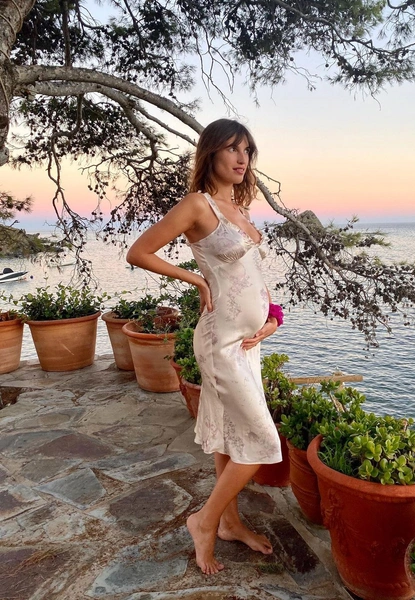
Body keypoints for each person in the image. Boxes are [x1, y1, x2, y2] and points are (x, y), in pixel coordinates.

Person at [126, 118, 284, 575]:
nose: (242, 158)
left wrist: (273, 318)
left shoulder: (240, 208)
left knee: (230, 434)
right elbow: (139, 252)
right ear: (211, 153)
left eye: (247, 150)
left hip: (248, 343)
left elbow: (252, 277)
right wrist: (195, 278)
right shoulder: (198, 204)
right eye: (232, 149)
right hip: (220, 341)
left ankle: (230, 523)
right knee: (262, 441)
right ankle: (205, 521)